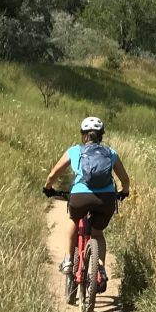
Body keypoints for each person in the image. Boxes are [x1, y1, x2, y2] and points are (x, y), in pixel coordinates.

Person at [43, 115, 132, 288]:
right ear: (101, 135)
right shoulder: (111, 153)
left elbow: (53, 175)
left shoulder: (75, 151)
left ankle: (69, 260)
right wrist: (124, 192)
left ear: (83, 135)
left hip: (80, 197)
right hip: (105, 199)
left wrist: (48, 188)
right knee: (97, 234)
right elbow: (125, 180)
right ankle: (101, 269)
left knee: (74, 220)